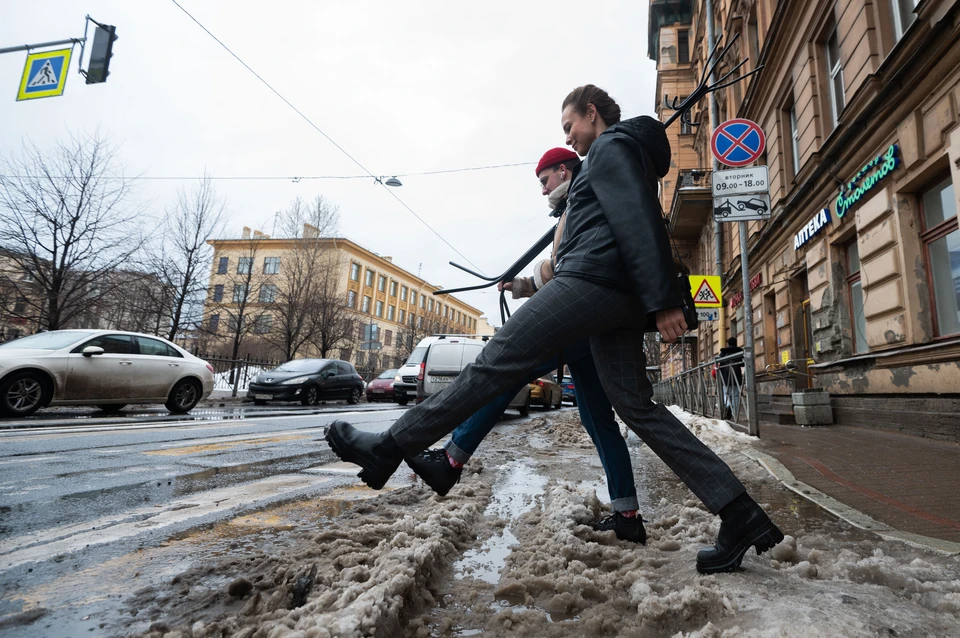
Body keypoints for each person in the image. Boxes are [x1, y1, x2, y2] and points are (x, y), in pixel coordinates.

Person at [327, 85, 783, 574]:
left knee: (496, 363)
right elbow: (624, 221)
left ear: (592, 114)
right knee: (636, 407)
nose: (570, 137)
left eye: (570, 126)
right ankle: (739, 513)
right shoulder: (625, 153)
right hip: (615, 294)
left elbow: (639, 220)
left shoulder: (610, 146)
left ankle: (389, 448)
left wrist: (667, 299)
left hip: (592, 281)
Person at [405, 147, 644, 543]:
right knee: (599, 421)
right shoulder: (572, 203)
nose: (542, 189)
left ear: (563, 170)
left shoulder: (584, 197)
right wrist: (521, 286)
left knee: (504, 374)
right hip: (590, 324)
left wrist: (538, 275)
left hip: (582, 320)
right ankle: (628, 515)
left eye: (544, 180)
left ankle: (451, 459)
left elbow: (574, 265)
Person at [718, 337, 744, 419]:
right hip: (736, 377)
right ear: (735, 343)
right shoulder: (739, 351)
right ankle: (734, 413)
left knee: (727, 394)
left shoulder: (723, 352)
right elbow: (742, 364)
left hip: (725, 377)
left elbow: (719, 363)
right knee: (736, 396)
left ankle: (729, 406)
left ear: (728, 343)